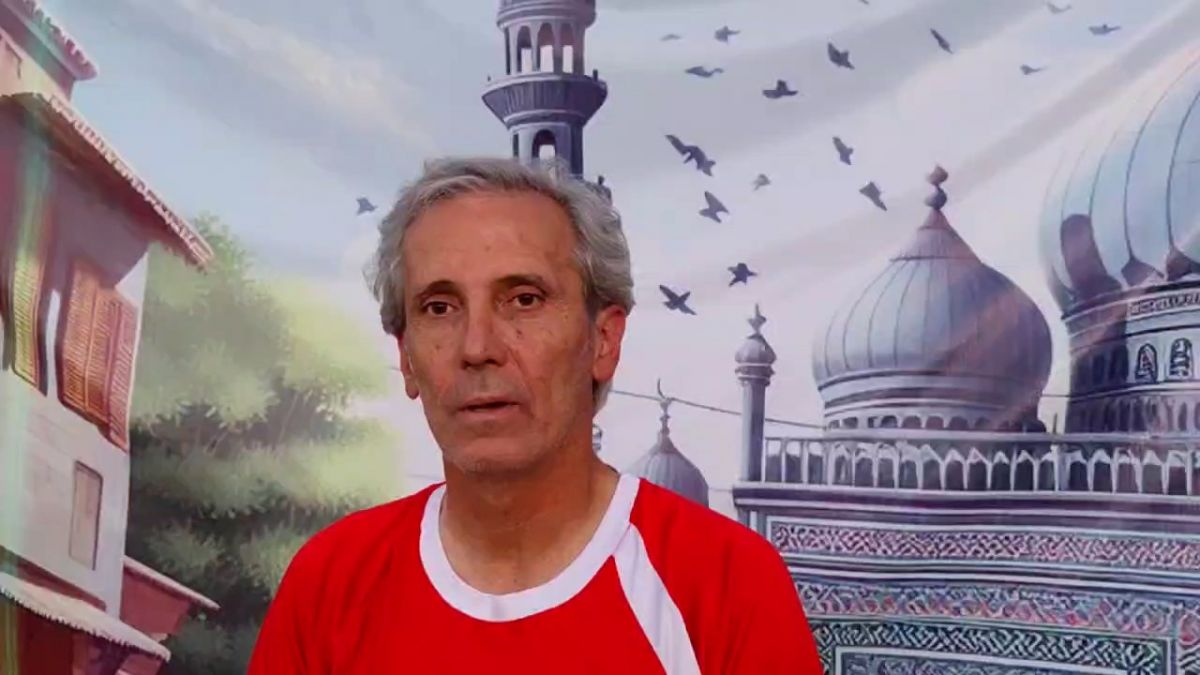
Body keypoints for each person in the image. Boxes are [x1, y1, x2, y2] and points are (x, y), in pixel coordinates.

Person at [246, 156, 823, 674]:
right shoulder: (332, 583)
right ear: (406, 358)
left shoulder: (725, 585)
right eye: (439, 307)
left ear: (603, 339)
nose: (478, 346)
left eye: (524, 300)